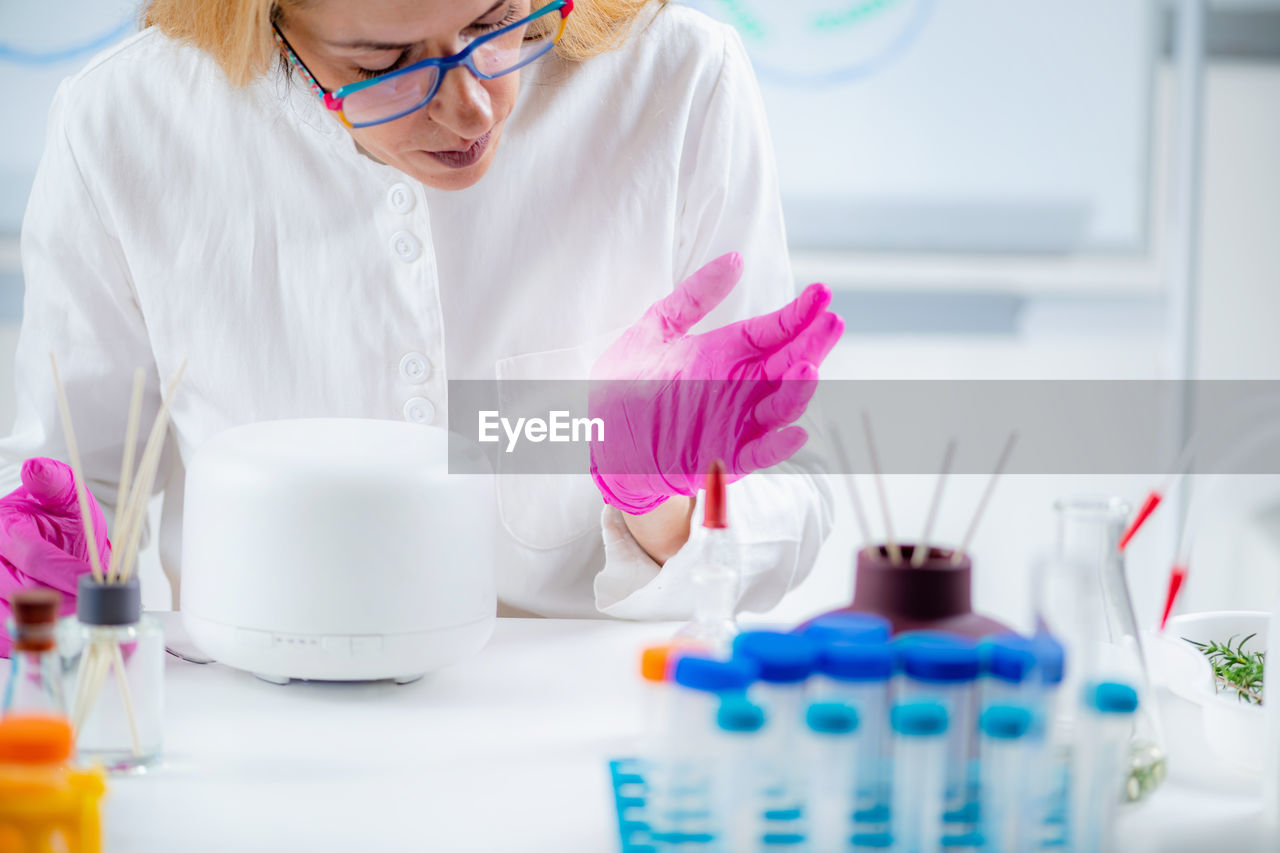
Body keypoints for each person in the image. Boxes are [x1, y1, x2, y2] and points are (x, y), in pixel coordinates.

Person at [0, 0, 843, 652]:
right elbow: (71, 487)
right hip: (260, 729)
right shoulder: (125, 124)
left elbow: (789, 484)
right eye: (383, 62)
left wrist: (665, 493)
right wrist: (33, 562)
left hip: (585, 722)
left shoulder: (677, 79)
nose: (475, 108)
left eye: (495, 21)